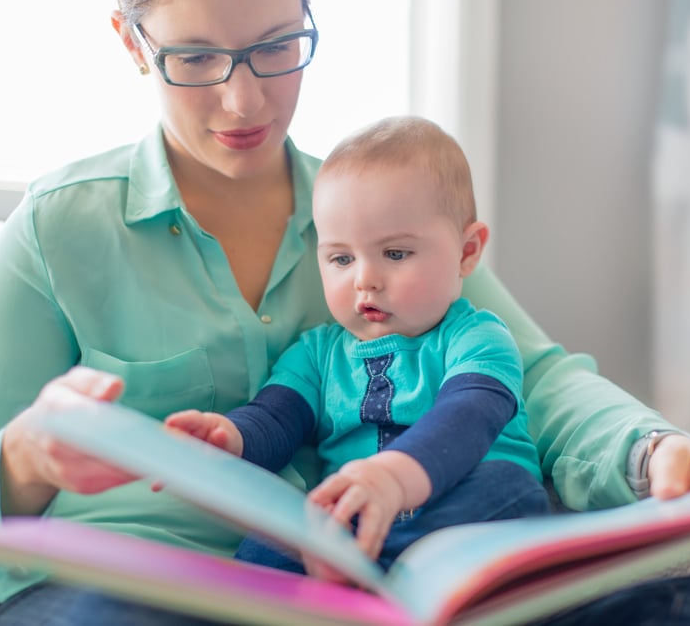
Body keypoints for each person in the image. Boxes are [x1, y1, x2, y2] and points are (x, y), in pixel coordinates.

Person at [0, 0, 690, 625]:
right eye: (198, 58)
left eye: (276, 48)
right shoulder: (59, 229)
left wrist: (648, 452)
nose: (243, 99)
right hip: (132, 594)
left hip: (362, 579)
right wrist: (28, 457)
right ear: (132, 42)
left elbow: (536, 379)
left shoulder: (383, 215)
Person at [165, 115, 552, 577]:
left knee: (511, 489)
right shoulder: (316, 354)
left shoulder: (475, 337)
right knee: (263, 547)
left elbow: (469, 416)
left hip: (458, 513)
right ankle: (348, 579)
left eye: (395, 254)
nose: (365, 279)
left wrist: (392, 477)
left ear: (467, 252)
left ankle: (372, 571)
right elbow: (274, 418)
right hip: (353, 525)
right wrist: (229, 438)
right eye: (342, 258)